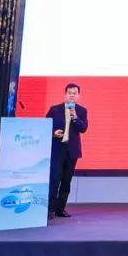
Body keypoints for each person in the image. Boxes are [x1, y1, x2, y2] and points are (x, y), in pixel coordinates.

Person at [46, 82, 88, 219]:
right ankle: (50, 209)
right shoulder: (54, 109)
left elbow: (83, 128)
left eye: (74, 93)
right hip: (57, 149)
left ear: (78, 96)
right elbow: (45, 126)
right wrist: (53, 132)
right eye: (69, 93)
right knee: (54, 179)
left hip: (72, 151)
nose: (72, 95)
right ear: (65, 94)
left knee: (66, 181)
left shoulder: (82, 111)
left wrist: (75, 117)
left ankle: (61, 209)